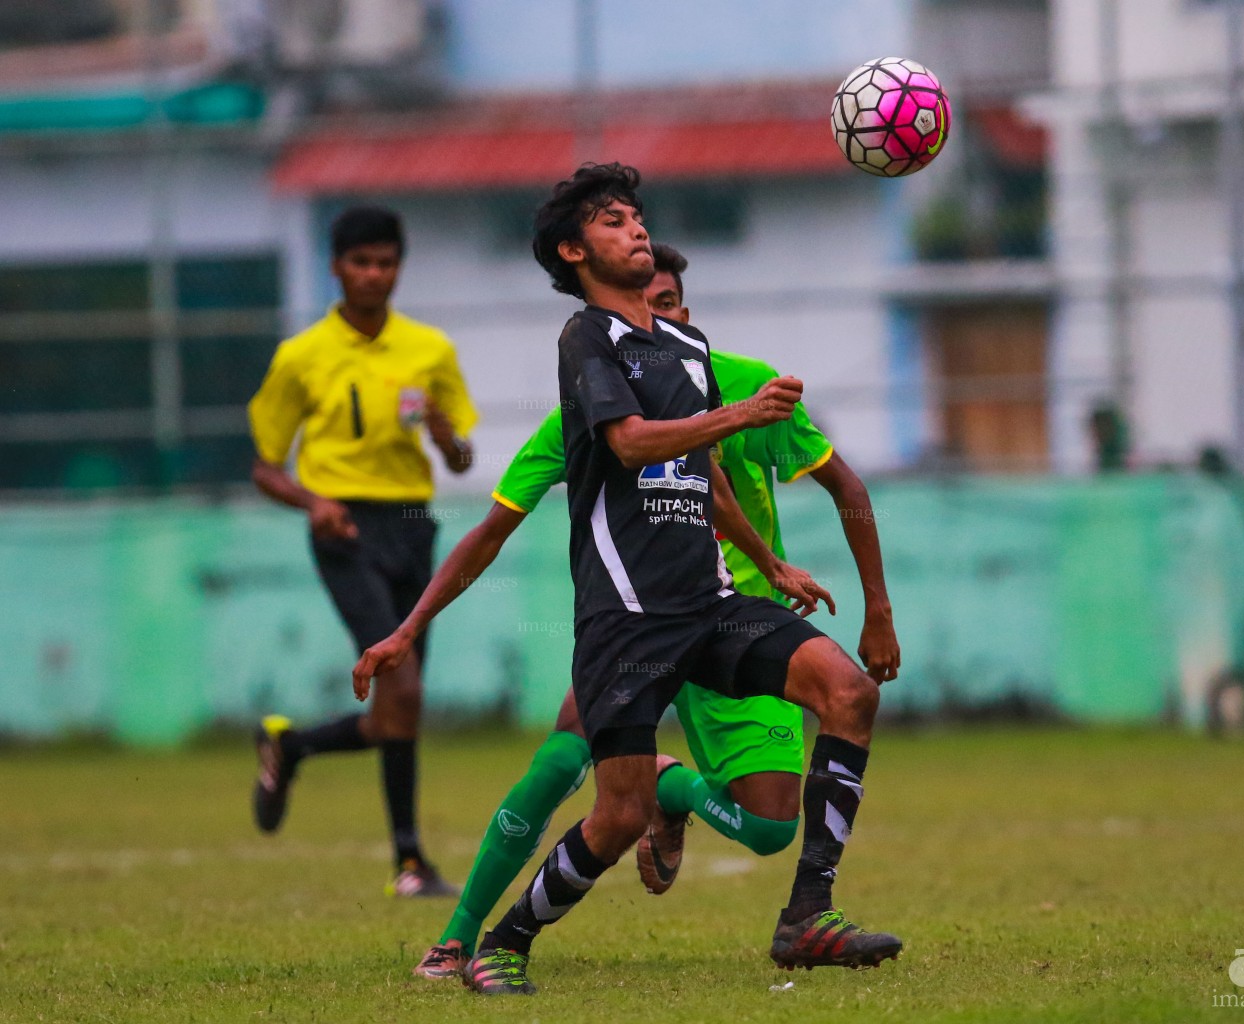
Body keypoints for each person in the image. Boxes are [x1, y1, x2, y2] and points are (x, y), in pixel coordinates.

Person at [352, 242, 902, 981]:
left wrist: (781, 570)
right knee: (566, 761)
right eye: (645, 309)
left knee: (773, 826)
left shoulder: (740, 383)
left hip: (727, 615)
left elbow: (801, 486)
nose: (654, 324)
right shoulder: (591, 406)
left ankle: (703, 823)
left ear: (683, 316)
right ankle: (462, 933)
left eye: (668, 307)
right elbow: (489, 532)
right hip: (633, 621)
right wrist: (407, 628)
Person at [246, 205, 478, 898]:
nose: (374, 275)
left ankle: (292, 747)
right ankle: (410, 863)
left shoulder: (428, 351)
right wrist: (314, 503)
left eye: (385, 262)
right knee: (399, 685)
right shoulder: (302, 356)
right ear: (336, 267)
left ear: (398, 267)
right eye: (360, 262)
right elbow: (264, 465)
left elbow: (462, 459)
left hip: (413, 524)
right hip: (342, 529)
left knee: (398, 708)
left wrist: (443, 433)